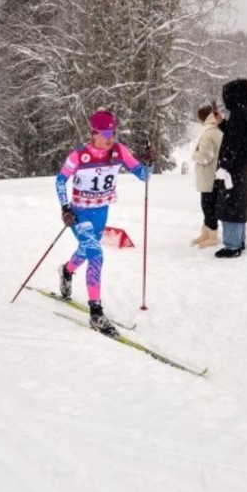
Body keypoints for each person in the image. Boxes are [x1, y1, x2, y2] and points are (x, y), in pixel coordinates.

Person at [55, 109, 154, 336]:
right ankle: (96, 312)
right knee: (96, 255)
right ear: (94, 133)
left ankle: (67, 271)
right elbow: (61, 181)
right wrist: (65, 208)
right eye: (105, 133)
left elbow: (144, 176)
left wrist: (148, 162)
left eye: (113, 132)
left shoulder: (119, 151)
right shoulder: (79, 155)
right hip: (80, 214)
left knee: (86, 250)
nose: (110, 138)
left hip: (101, 213)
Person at [214, 78, 247, 258]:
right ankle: (239, 241)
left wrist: (224, 166)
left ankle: (232, 246)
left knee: (230, 204)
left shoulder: (239, 115)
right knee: (240, 203)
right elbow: (237, 135)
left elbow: (233, 144)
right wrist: (222, 123)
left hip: (234, 170)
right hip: (244, 169)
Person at [190, 102, 223, 248]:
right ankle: (206, 232)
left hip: (209, 174)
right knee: (208, 204)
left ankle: (212, 234)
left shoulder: (209, 132)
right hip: (211, 174)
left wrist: (194, 154)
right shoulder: (214, 129)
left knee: (208, 205)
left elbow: (205, 156)